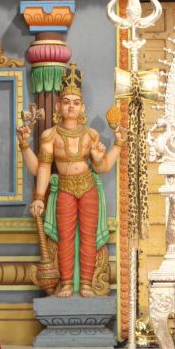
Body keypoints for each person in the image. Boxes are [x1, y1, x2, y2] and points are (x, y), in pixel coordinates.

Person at [19, 63, 125, 298]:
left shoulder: (90, 135)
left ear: (82, 107)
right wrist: (39, 196)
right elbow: (41, 168)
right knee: (65, 237)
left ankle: (86, 283)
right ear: (58, 106)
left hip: (88, 187)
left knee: (88, 236)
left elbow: (102, 167)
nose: (71, 106)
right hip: (65, 188)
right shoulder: (51, 135)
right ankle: (66, 283)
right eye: (66, 102)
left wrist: (115, 145)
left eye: (76, 103)